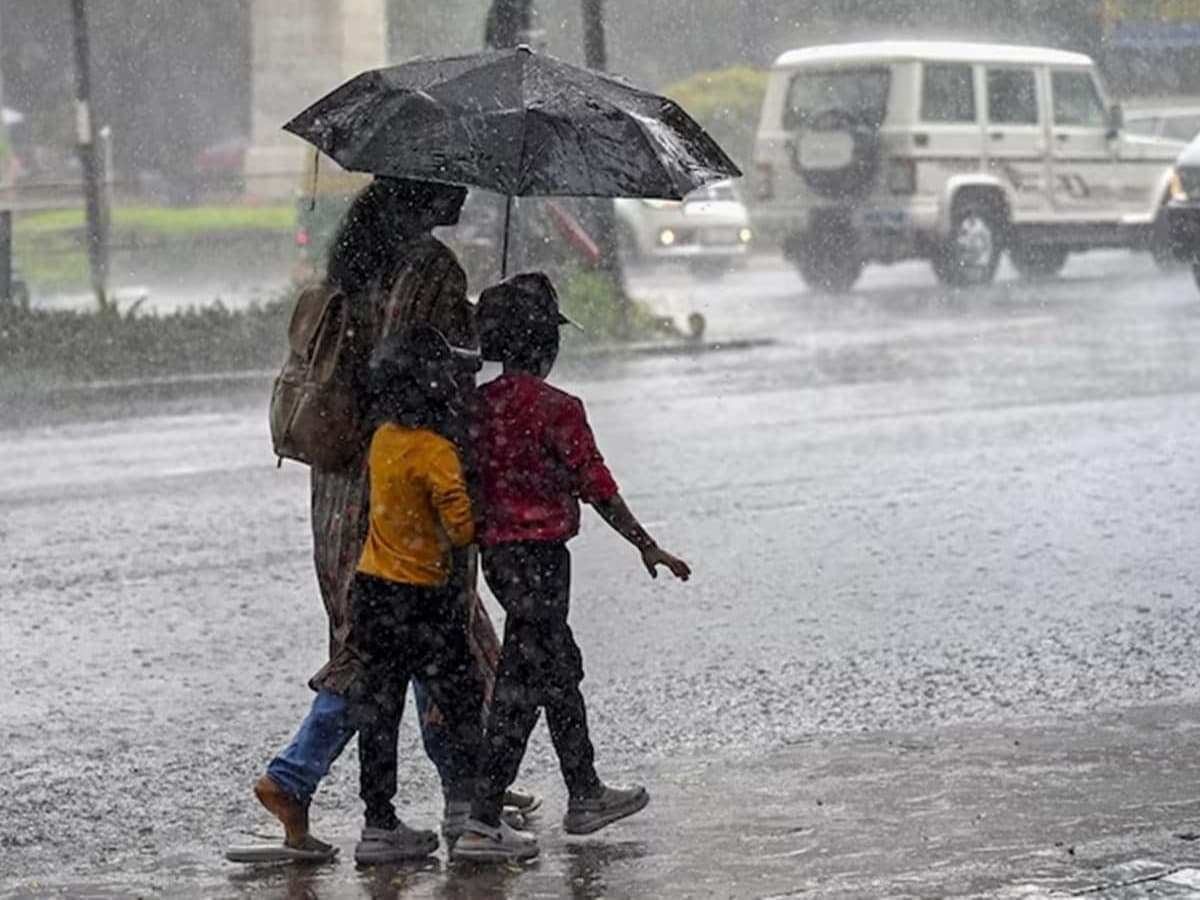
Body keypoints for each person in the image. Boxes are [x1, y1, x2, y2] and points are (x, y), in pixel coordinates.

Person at [251, 177, 533, 865]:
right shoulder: (431, 265)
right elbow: (422, 369)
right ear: (421, 191)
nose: (465, 191)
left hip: (347, 479)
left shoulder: (355, 261)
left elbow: (378, 356)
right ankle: (299, 777)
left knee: (408, 638)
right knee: (405, 645)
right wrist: (480, 337)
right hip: (409, 480)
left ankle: (466, 788)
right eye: (452, 180)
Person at [451, 272, 692, 862]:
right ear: (545, 346)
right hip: (543, 560)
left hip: (499, 561)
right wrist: (644, 542)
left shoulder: (474, 409)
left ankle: (584, 791)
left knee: (557, 665)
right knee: (522, 683)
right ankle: (483, 821)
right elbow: (595, 484)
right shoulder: (560, 409)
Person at [344, 324, 534, 864]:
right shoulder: (437, 453)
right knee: (460, 702)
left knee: (379, 713)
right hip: (424, 601)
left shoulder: (383, 439)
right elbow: (461, 530)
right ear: (434, 386)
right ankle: (473, 814)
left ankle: (378, 824)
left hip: (373, 594)